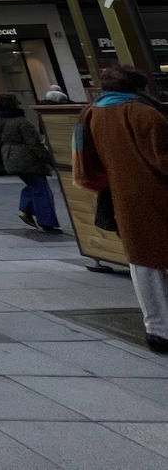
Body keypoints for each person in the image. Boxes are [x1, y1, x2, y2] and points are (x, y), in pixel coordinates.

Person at [76, 64, 168, 352]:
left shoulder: (91, 114)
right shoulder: (145, 114)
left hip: (123, 196)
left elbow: (87, 164)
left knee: (143, 262)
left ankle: (158, 328)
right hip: (157, 194)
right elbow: (164, 158)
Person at [0, 93, 59, 233]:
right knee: (41, 189)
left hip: (9, 156)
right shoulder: (21, 122)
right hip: (27, 158)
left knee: (33, 185)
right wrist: (49, 160)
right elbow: (34, 144)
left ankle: (26, 209)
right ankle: (46, 222)